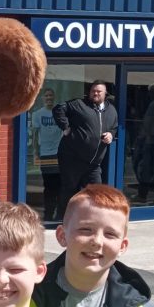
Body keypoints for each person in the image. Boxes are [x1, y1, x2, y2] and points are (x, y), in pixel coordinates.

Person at [53, 80, 118, 220]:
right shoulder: (79, 104)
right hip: (73, 159)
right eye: (93, 91)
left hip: (94, 163)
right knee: (69, 190)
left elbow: (114, 127)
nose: (95, 93)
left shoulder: (111, 110)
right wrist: (65, 127)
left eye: (98, 91)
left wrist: (111, 134)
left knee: (97, 192)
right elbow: (58, 109)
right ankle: (63, 219)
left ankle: (94, 220)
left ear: (105, 94)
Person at [29, 87, 62, 221]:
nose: (49, 98)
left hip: (58, 154)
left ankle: (58, 215)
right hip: (45, 155)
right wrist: (36, 152)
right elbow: (36, 135)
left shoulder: (59, 113)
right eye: (46, 96)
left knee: (59, 185)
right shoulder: (37, 114)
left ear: (54, 98)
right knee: (49, 186)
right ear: (43, 98)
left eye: (51, 96)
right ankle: (48, 215)